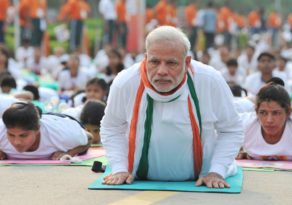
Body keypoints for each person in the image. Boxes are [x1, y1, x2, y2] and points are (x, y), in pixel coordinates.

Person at [100, 26, 243, 188]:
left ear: (187, 62)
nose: (162, 71)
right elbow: (111, 127)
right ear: (146, 58)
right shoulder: (125, 81)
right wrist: (119, 168)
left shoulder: (210, 80)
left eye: (171, 63)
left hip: (201, 179)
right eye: (154, 62)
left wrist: (216, 171)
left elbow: (231, 129)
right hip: (137, 179)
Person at [0, 102, 91, 160]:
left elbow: (90, 137)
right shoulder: (1, 131)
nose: (17, 142)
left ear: (37, 129)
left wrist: (69, 153)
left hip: (60, 120)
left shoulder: (63, 135)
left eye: (23, 135)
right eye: (11, 135)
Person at [237, 83, 292, 160]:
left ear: (288, 113)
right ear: (256, 112)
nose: (269, 120)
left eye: (276, 113)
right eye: (263, 113)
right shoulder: (245, 124)